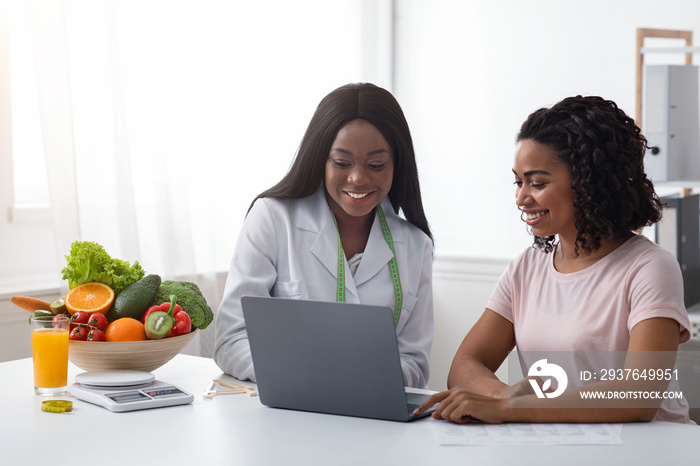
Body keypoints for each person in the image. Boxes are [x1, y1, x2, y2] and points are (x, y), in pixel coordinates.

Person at [415, 95, 693, 423]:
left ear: (589, 181)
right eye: (518, 182)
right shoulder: (527, 267)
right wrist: (502, 396)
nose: (521, 197)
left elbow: (638, 396)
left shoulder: (648, 268)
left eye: (537, 182)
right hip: (562, 446)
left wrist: (509, 409)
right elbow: (466, 363)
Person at [214, 83, 434, 388]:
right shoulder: (272, 219)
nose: (358, 178)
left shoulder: (416, 246)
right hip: (290, 412)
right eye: (342, 163)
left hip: (373, 418)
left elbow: (415, 362)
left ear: (398, 164)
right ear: (320, 159)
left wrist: (363, 381)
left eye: (376, 165)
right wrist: (302, 376)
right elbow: (232, 339)